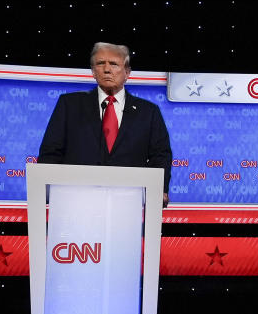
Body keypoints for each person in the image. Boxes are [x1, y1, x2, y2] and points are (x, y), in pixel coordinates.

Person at [38, 42, 172, 205]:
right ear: (93, 71)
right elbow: (51, 152)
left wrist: (159, 189)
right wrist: (47, 189)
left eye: (114, 64)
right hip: (74, 203)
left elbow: (161, 156)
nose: (107, 69)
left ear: (127, 72)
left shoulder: (148, 112)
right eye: (100, 63)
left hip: (127, 205)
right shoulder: (69, 105)